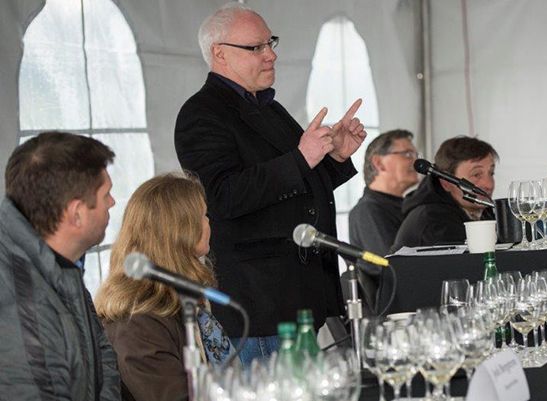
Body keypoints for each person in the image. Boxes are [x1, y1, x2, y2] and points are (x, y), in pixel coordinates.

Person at [175, 2, 366, 364]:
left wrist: (335, 156)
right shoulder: (201, 114)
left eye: (271, 43)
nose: (271, 55)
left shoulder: (268, 108)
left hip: (298, 297)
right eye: (256, 47)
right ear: (220, 54)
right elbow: (223, 197)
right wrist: (301, 158)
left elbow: (299, 184)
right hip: (257, 304)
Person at [0, 131, 120, 400]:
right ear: (76, 213)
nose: (112, 202)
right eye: (105, 195)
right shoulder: (22, 308)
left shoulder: (60, 264)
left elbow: (103, 358)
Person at [95, 173, 232, 401]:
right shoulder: (137, 323)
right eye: (203, 216)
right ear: (180, 231)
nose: (209, 222)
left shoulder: (181, 297)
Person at [391, 136, 497, 251]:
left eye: (491, 173)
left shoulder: (482, 211)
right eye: (476, 175)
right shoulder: (434, 223)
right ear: (446, 182)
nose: (489, 184)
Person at [348, 129, 419, 256]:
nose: (417, 162)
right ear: (379, 163)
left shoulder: (407, 205)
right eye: (407, 154)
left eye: (416, 155)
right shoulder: (368, 211)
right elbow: (393, 266)